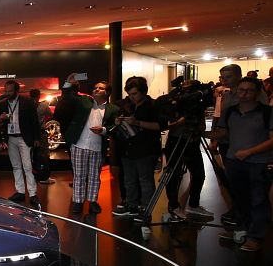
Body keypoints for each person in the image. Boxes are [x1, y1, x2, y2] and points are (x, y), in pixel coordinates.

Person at [207, 77, 273, 253]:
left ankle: (255, 237)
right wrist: (203, 133)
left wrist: (250, 152)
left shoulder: (267, 112)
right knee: (239, 198)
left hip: (258, 162)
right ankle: (242, 228)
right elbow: (222, 133)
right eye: (241, 90)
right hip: (234, 161)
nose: (244, 94)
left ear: (257, 93)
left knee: (258, 199)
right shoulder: (230, 111)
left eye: (249, 90)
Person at [60, 81, 118, 214]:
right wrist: (68, 82)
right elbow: (67, 97)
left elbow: (114, 127)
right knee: (79, 175)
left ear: (108, 93)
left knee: (94, 176)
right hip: (79, 144)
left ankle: (92, 201)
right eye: (95, 87)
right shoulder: (84, 101)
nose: (96, 89)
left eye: (100, 88)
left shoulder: (113, 109)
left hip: (97, 146)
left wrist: (103, 130)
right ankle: (78, 202)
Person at [113, 77, 164, 217]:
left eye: (134, 94)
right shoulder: (128, 105)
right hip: (128, 148)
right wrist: (119, 122)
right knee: (129, 180)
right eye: (129, 94)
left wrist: (137, 123)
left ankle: (146, 209)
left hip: (146, 150)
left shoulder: (153, 105)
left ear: (143, 91)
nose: (132, 97)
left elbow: (160, 126)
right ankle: (131, 205)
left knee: (145, 181)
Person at [162, 79, 212, 221]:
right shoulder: (175, 101)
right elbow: (168, 123)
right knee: (174, 174)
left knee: (199, 174)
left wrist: (198, 124)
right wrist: (180, 120)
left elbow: (201, 124)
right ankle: (173, 206)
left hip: (193, 140)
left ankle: (194, 204)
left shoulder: (197, 103)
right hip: (177, 140)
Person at [0, 80, 40, 206]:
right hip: (11, 138)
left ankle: (32, 193)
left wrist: (36, 138)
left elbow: (34, 121)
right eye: (6, 91)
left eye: (10, 91)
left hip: (24, 137)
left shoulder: (27, 102)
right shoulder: (2, 104)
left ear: (17, 91)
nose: (7, 93)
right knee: (16, 166)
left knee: (27, 166)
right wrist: (1, 119)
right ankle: (20, 191)